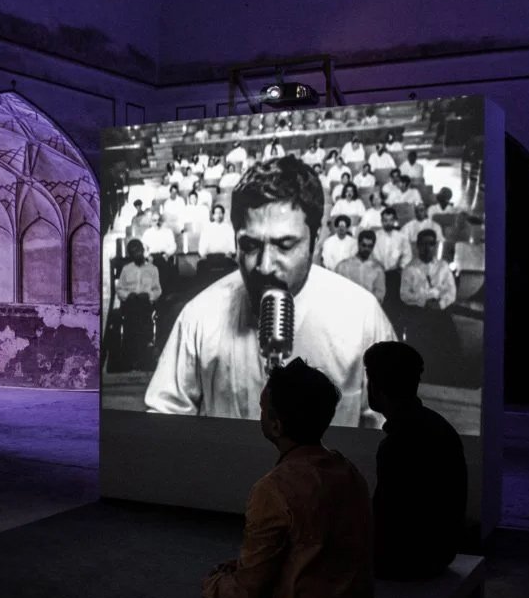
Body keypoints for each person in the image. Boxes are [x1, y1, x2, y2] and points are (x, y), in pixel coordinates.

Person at [153, 358, 383, 598]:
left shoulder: (273, 490)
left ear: (275, 425)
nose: (259, 415)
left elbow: (247, 594)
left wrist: (213, 584)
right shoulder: (347, 471)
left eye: (262, 409)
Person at [144, 155, 396, 426]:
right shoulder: (200, 315)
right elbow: (165, 423)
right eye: (250, 245)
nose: (264, 266)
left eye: (285, 245)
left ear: (317, 236)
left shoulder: (363, 317)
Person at [363, 341, 468, 580]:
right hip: (437, 555)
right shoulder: (438, 427)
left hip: (410, 563)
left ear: (376, 387)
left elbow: (390, 522)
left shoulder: (398, 444)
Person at [400, 230, 462, 383]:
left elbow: (451, 292)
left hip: (439, 313)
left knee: (450, 343)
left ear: (435, 246)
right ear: (418, 246)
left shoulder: (443, 266)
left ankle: (444, 378)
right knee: (419, 346)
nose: (427, 248)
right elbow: (405, 295)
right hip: (419, 313)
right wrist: (423, 301)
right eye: (423, 244)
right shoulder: (409, 269)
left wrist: (440, 304)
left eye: (431, 244)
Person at [117, 239, 162, 370]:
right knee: (132, 321)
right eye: (133, 252)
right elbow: (120, 289)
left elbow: (158, 290)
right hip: (131, 303)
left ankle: (144, 358)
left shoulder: (153, 269)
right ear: (130, 255)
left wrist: (149, 297)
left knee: (143, 317)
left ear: (143, 250)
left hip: (145, 304)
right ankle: (131, 359)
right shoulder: (126, 269)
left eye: (138, 251)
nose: (136, 254)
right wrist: (127, 296)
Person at [336, 230, 386, 303]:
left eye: (370, 246)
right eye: (364, 245)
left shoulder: (377, 269)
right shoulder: (344, 265)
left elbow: (379, 294)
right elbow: (336, 288)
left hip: (366, 308)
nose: (366, 249)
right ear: (358, 244)